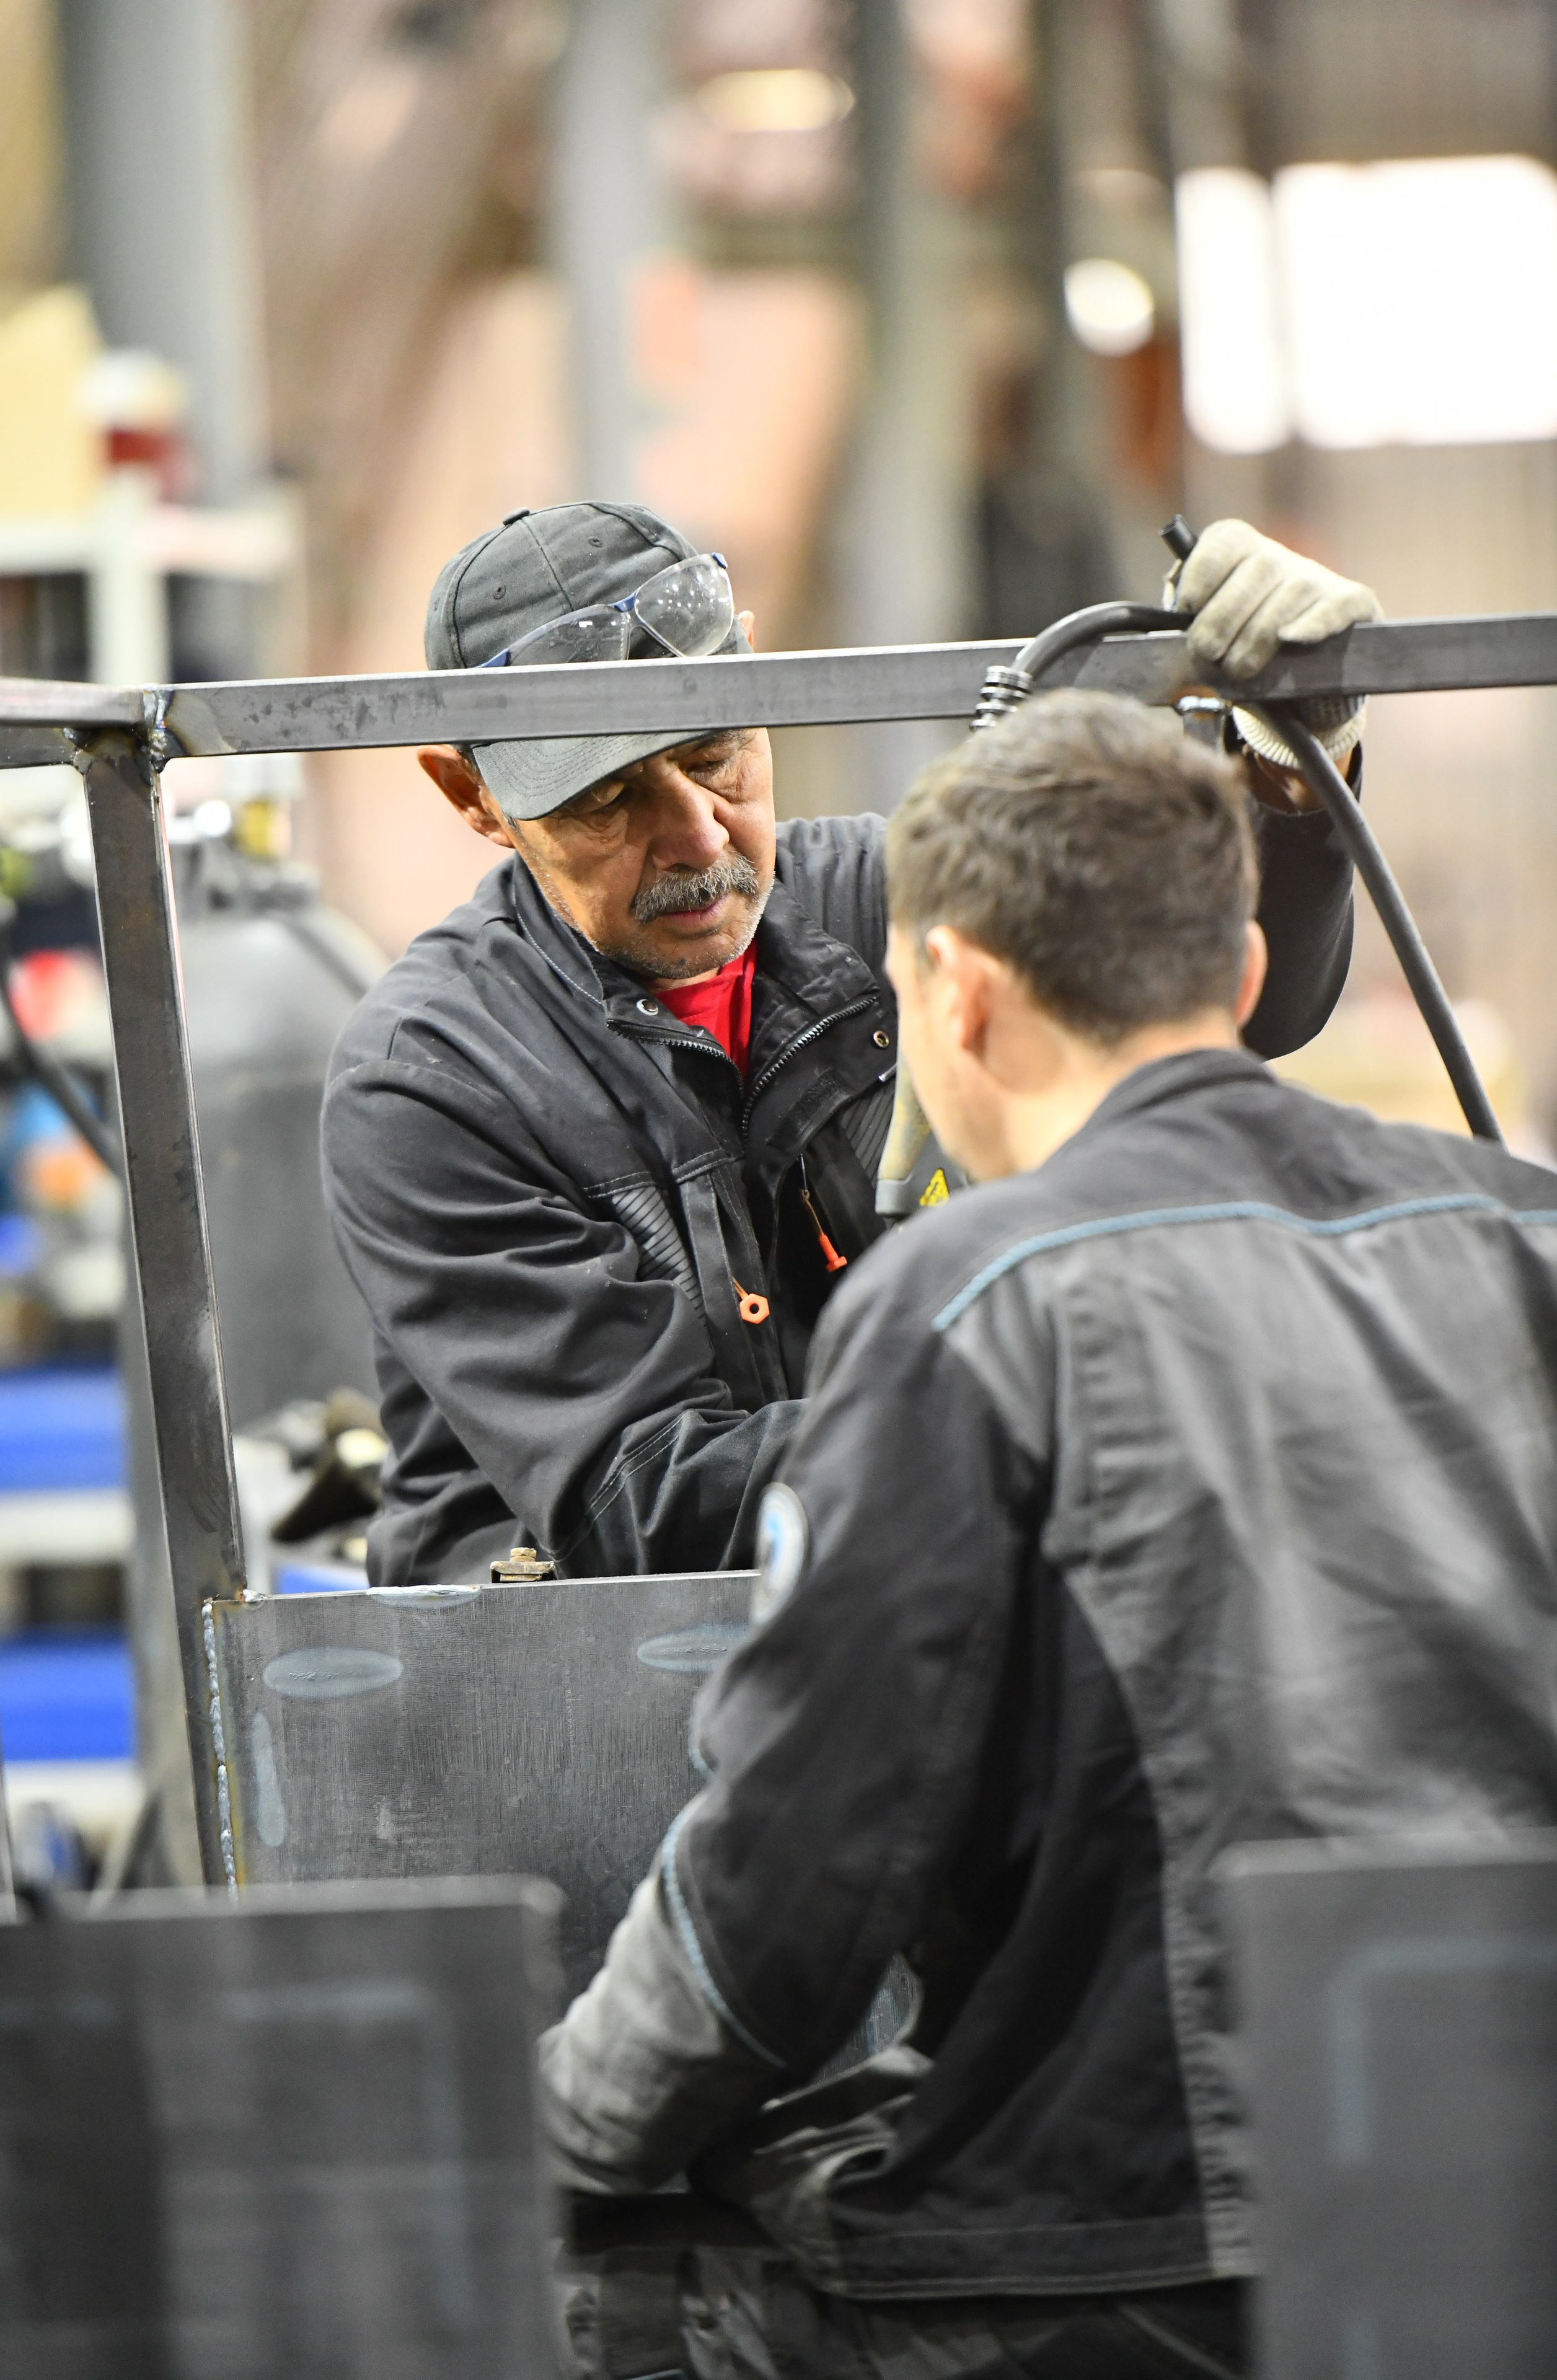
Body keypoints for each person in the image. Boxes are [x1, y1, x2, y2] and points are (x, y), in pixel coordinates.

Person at [539, 689, 1557, 2379]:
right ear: (1240, 977)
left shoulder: (969, 1302)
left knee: (612, 2303)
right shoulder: (1523, 1233)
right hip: (1513, 2221)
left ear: (952, 991)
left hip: (1154, 2257)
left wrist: (546, 2143)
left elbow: (785, 1904)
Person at [322, 502, 1376, 1585]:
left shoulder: (895, 908)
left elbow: (1234, 1009)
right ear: (474, 797)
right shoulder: (435, 1076)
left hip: (916, 1593)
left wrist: (1294, 757)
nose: (696, 836)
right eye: (606, 797)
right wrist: (1058, 1400)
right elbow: (649, 1506)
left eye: (715, 753)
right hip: (564, 1691)